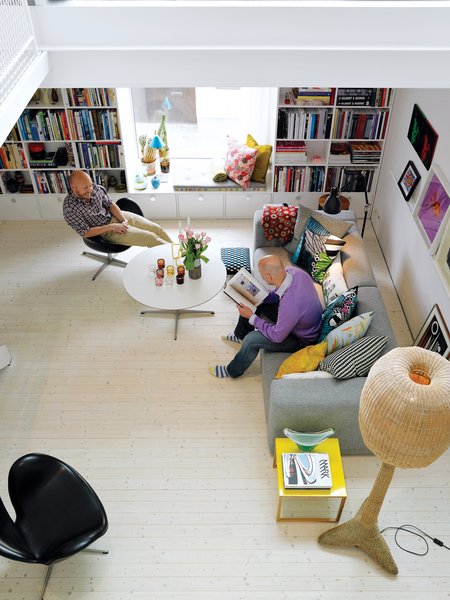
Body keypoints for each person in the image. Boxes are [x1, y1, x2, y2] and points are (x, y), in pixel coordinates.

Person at [210, 255, 323, 378]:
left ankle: (232, 371)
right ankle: (240, 335)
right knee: (253, 301)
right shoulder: (294, 272)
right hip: (298, 321)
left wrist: (252, 317)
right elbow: (279, 294)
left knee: (252, 339)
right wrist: (260, 295)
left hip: (301, 339)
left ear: (269, 276)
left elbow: (277, 336)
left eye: (261, 274)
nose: (261, 277)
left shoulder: (290, 304)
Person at [63, 170, 173, 247]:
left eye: (90, 185)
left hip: (116, 216)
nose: (90, 189)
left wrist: (123, 220)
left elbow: (110, 204)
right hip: (105, 231)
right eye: (85, 187)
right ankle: (176, 260)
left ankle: (180, 252)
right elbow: (85, 232)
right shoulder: (70, 208)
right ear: (73, 187)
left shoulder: (94, 188)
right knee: (151, 238)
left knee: (156, 228)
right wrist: (111, 227)